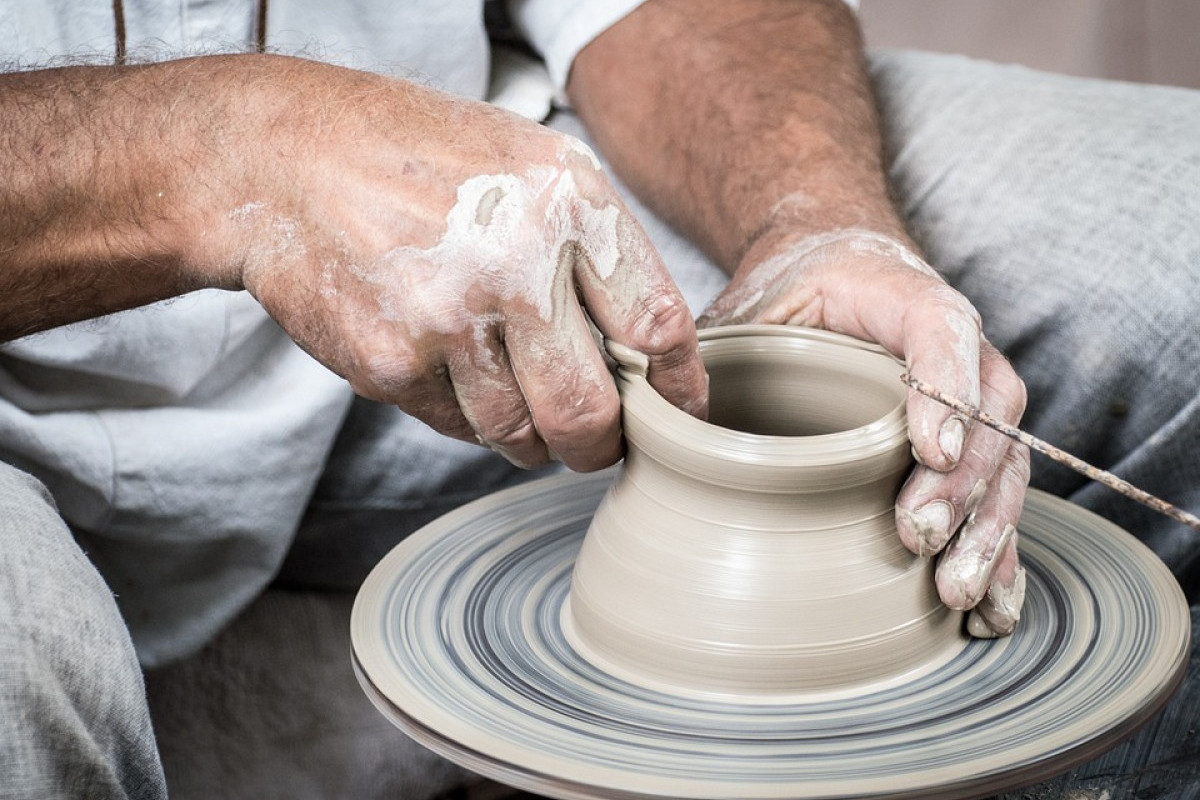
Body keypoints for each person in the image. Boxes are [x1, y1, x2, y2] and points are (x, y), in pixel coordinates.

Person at [0, 1, 1196, 798]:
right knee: (23, 667)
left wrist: (813, 216)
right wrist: (218, 153)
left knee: (1172, 267)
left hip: (479, 201)